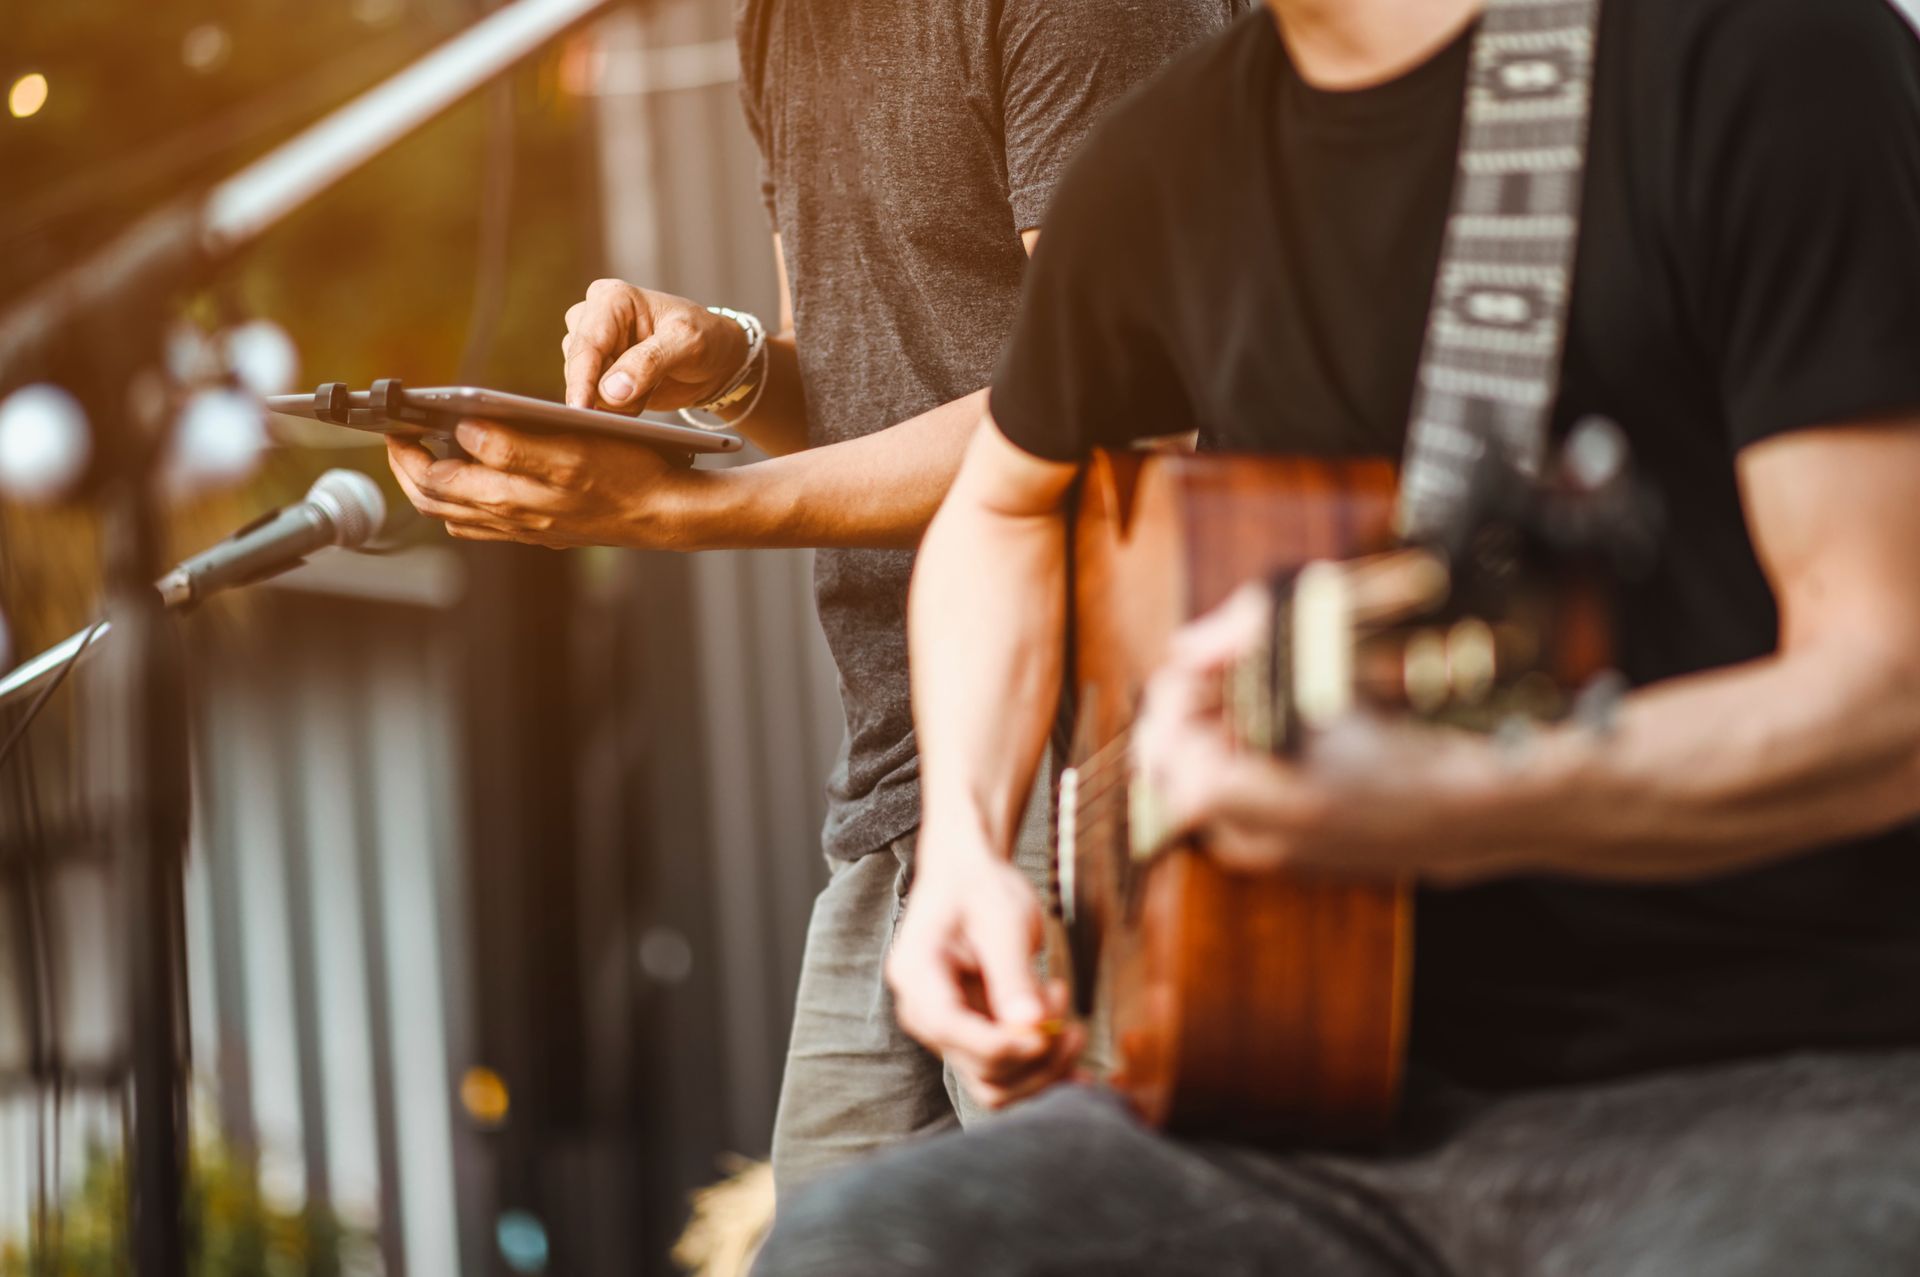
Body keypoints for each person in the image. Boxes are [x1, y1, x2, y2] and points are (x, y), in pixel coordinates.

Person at [753, 0, 1920, 1270]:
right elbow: (1004, 503)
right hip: (1314, 1093)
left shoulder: (1761, 49)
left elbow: (1893, 688)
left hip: (1786, 1071)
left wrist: (1470, 791)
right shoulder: (1171, 157)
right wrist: (974, 847)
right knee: (864, 1243)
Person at [384, 0, 1244, 1193]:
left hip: (1098, 777)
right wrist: (734, 368)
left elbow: (1121, 400)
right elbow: (873, 386)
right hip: (899, 790)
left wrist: (683, 514)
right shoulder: (777, 25)